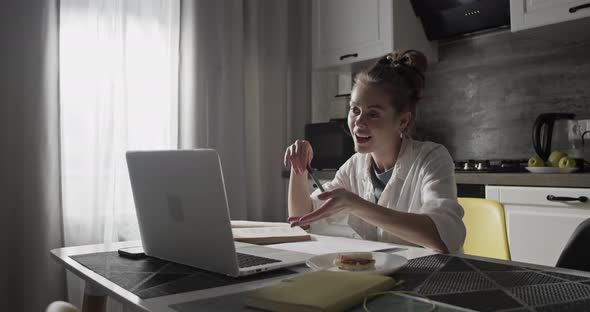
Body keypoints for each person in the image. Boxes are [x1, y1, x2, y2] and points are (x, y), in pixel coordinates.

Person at [283, 50, 465, 253]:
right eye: (355, 110)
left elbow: (442, 238)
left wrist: (356, 205)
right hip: (382, 277)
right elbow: (302, 220)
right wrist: (299, 167)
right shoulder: (355, 165)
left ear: (402, 121)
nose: (359, 122)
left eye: (373, 114)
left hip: (434, 278)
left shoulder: (431, 158)